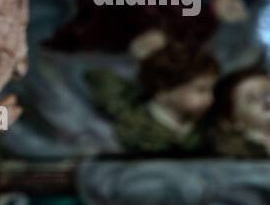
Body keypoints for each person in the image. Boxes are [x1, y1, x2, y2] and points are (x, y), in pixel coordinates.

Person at [86, 39, 218, 154]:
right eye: (200, 90)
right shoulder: (136, 123)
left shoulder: (202, 128)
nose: (210, 98)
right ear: (164, 89)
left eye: (211, 90)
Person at [207, 67, 270, 157]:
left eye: (268, 93)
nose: (264, 100)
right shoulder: (228, 155)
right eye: (251, 98)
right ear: (233, 120)